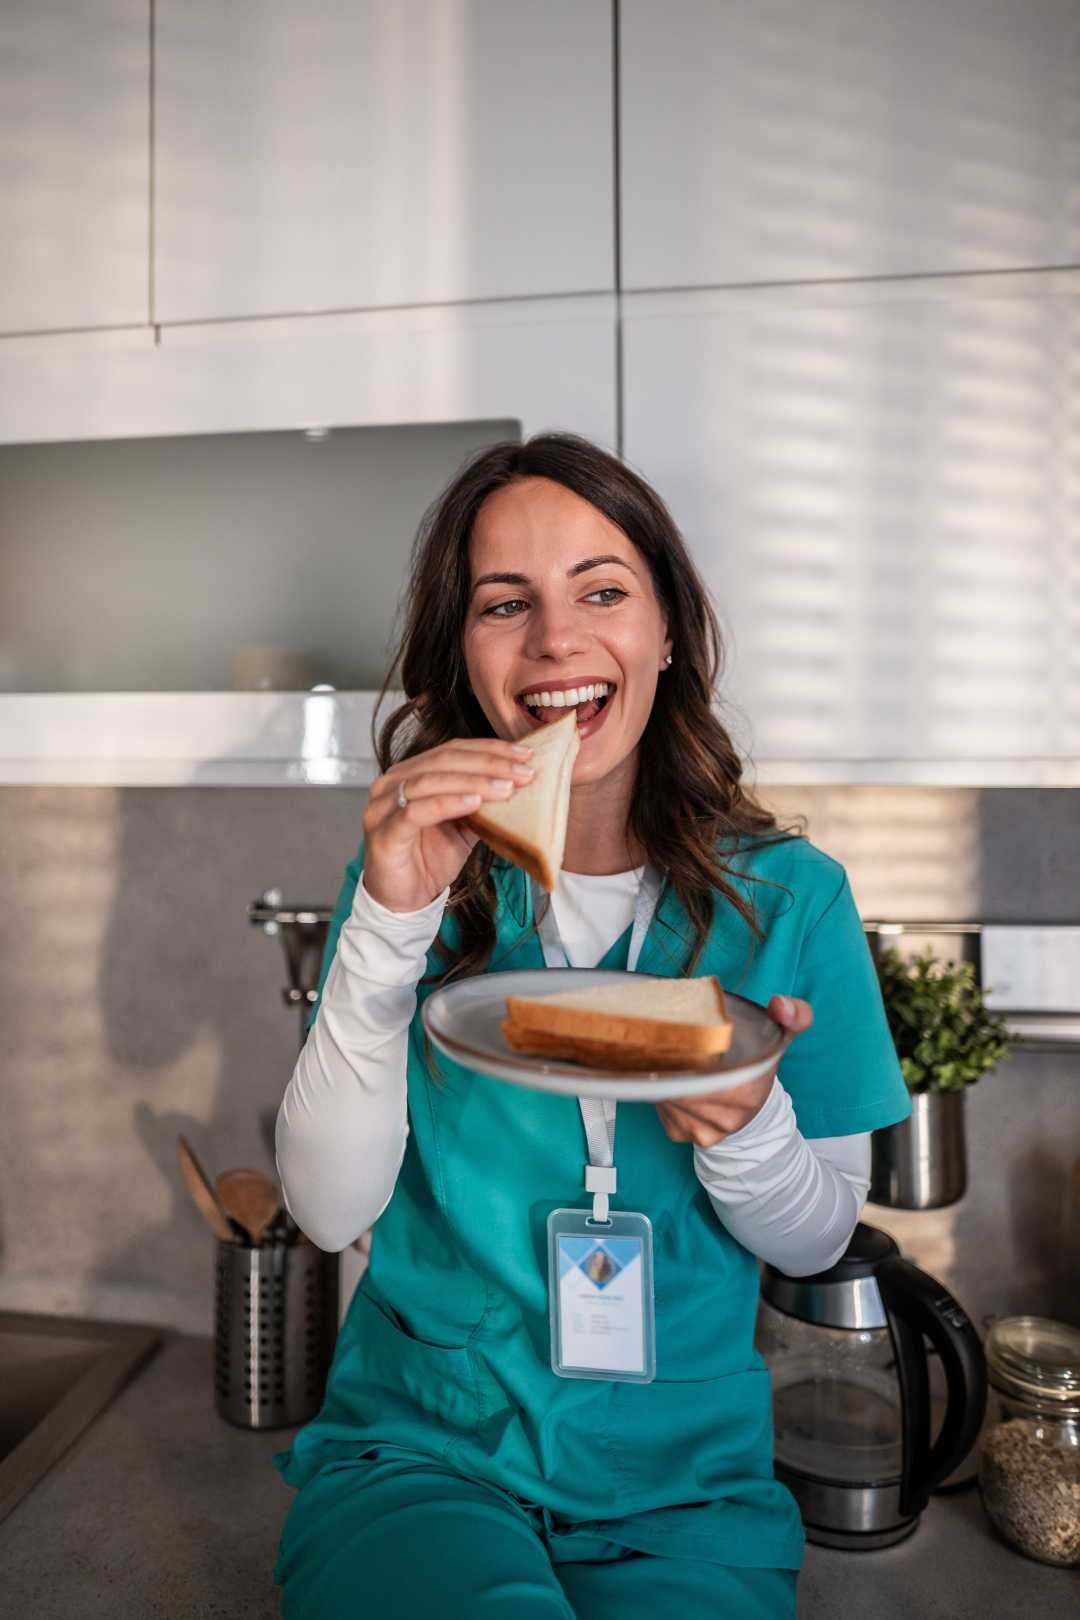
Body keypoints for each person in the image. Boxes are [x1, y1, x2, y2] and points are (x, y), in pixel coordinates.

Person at [270, 432, 911, 1619]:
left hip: (688, 1489)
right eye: (504, 604)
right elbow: (327, 1211)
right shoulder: (421, 874)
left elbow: (817, 1240)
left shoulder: (792, 895)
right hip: (425, 1449)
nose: (556, 641)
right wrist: (384, 930)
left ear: (667, 632)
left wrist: (749, 1125)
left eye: (602, 591)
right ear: (464, 656)